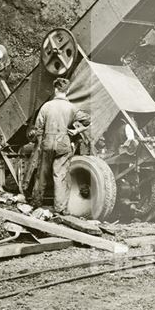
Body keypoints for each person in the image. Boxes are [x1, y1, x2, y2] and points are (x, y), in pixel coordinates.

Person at [31, 77, 91, 214]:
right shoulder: (72, 108)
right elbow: (87, 121)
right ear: (68, 90)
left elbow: (38, 128)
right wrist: (77, 130)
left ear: (55, 89)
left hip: (47, 142)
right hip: (63, 142)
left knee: (42, 174)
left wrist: (41, 143)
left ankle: (36, 203)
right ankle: (60, 209)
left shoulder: (46, 106)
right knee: (60, 175)